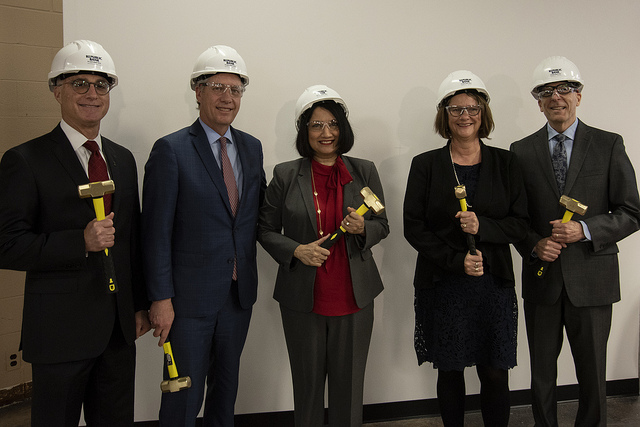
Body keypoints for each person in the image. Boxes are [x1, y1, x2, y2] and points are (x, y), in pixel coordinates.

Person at [0, 40, 150, 426]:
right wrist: (78, 242)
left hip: (117, 334)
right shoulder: (25, 160)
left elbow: (131, 240)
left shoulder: (122, 158)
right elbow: (7, 245)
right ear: (56, 89)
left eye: (102, 85)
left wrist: (138, 304)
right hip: (59, 334)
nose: (92, 94)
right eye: (79, 82)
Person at [510, 56, 640, 427]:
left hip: (593, 281)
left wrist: (584, 230)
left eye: (565, 88)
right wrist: (534, 244)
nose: (556, 97)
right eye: (546, 91)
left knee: (593, 374)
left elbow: (632, 212)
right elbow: (516, 220)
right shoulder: (521, 151)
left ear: (579, 95)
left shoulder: (608, 144)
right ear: (538, 101)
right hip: (543, 279)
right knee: (541, 377)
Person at [142, 45, 265, 427]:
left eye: (235, 89)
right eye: (217, 87)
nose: (227, 97)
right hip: (188, 303)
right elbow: (156, 233)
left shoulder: (251, 147)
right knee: (183, 396)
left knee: (225, 392)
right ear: (197, 91)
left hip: (237, 296)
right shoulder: (171, 150)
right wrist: (160, 299)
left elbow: (255, 215)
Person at [258, 85, 389, 427]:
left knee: (349, 390)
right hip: (303, 298)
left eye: (332, 123)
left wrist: (364, 229)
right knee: (308, 388)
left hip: (354, 295)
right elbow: (264, 229)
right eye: (316, 125)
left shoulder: (365, 170)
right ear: (304, 131)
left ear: (342, 127)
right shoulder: (285, 175)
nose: (326, 133)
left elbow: (383, 223)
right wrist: (296, 249)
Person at [403, 71, 529, 427]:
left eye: (473, 107)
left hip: (493, 284)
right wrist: (457, 261)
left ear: (483, 113)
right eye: (456, 108)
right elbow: (414, 227)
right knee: (451, 370)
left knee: (493, 371)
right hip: (444, 282)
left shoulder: (506, 163)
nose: (465, 115)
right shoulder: (426, 165)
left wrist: (483, 227)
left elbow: (520, 223)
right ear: (444, 114)